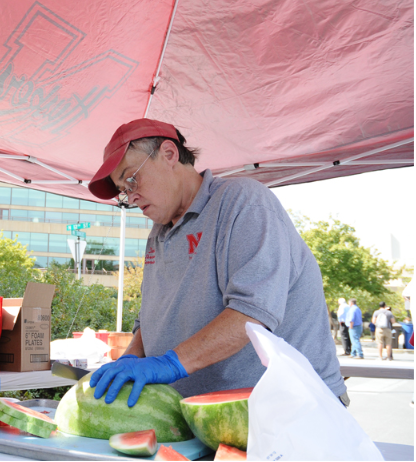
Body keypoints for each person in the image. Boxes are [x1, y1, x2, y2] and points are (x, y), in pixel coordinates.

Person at [85, 119, 347, 408]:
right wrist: (132, 357)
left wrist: (171, 364)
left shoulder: (243, 203)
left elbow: (251, 314)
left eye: (131, 179)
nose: (131, 196)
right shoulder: (157, 236)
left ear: (169, 154)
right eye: (123, 191)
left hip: (287, 411)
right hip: (201, 415)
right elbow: (151, 320)